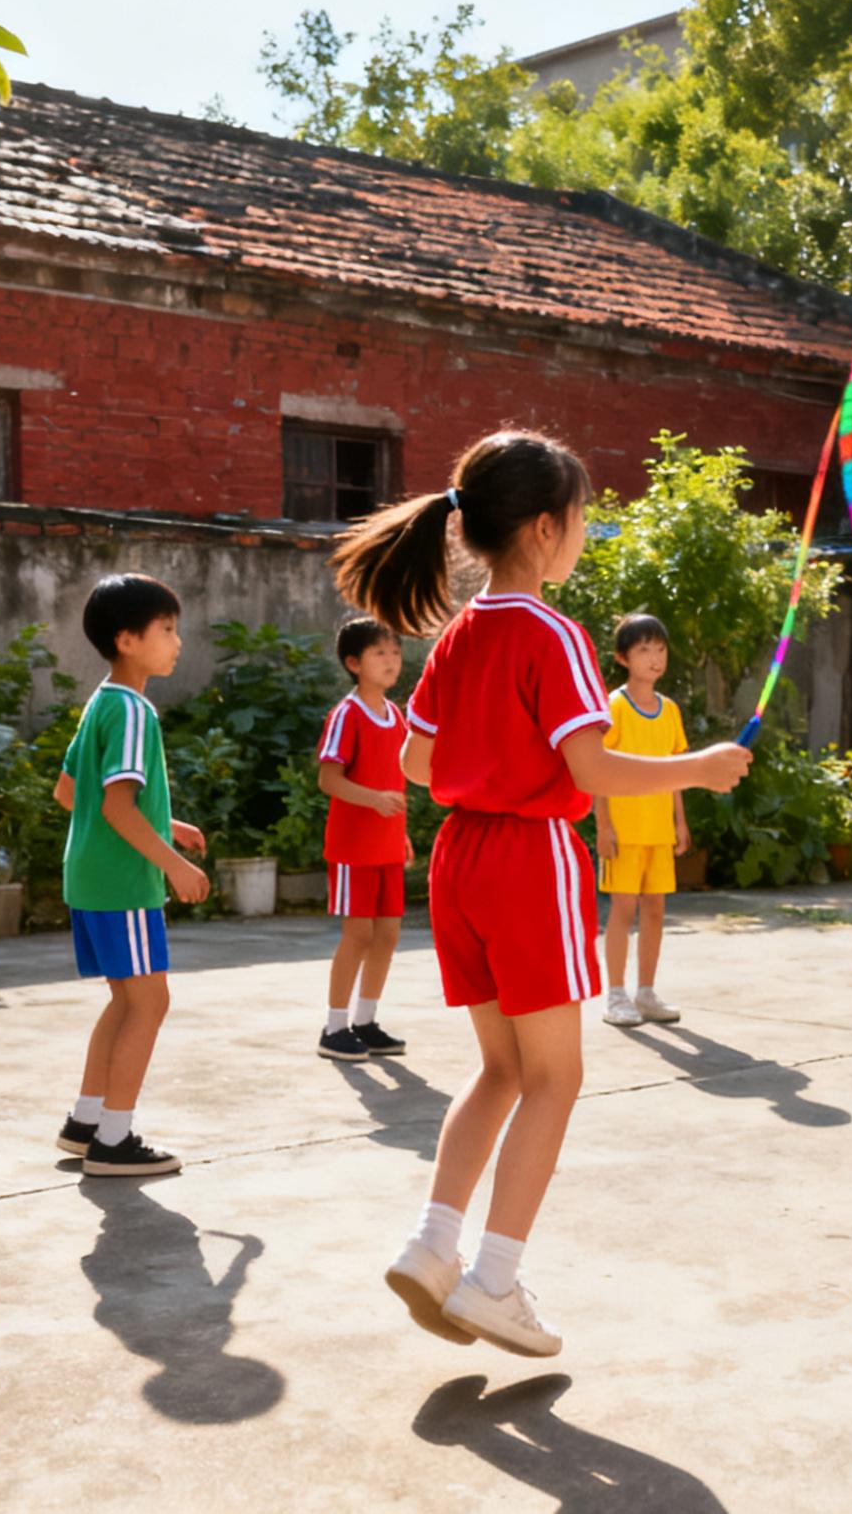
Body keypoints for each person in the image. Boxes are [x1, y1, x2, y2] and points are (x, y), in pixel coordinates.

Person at [334, 429, 753, 1357]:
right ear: (545, 526)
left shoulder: (457, 637)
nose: (585, 530)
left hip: (458, 861)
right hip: (531, 859)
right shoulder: (552, 633)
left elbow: (413, 759)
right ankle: (492, 1280)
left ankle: (432, 1244)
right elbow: (593, 765)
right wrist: (701, 766)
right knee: (557, 1078)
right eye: (583, 516)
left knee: (500, 1069)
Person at [53, 573, 214, 1177]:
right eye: (167, 630)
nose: (178, 642)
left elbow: (72, 793)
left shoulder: (100, 703)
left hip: (89, 879)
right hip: (125, 884)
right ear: (127, 640)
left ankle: (86, 1120)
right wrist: (173, 864)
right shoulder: (135, 711)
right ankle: (114, 1141)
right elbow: (115, 804)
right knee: (150, 1002)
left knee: (126, 1001)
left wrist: (166, 824)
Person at [316, 615, 413, 1063]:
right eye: (380, 653)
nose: (392, 660)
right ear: (354, 663)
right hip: (355, 845)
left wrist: (403, 834)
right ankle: (334, 1027)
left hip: (388, 844)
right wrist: (373, 800)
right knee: (357, 933)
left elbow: (397, 779)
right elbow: (329, 780)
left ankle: (366, 1021)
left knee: (388, 934)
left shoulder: (397, 715)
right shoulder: (346, 714)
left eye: (395, 651)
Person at [591, 613, 689, 1029]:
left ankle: (646, 991)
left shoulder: (669, 711)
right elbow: (596, 770)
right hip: (624, 829)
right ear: (622, 657)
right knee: (622, 910)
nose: (654, 658)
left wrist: (679, 822)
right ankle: (615, 994)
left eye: (660, 649)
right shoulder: (612, 707)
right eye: (644, 649)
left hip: (658, 829)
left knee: (655, 909)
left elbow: (677, 768)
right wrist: (604, 826)